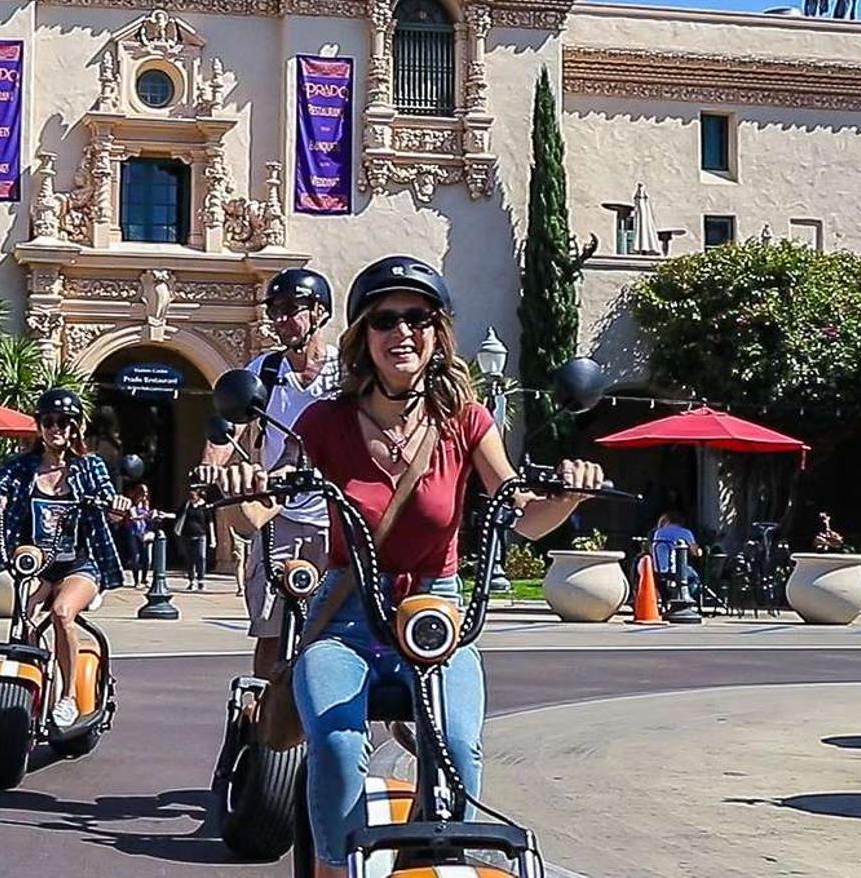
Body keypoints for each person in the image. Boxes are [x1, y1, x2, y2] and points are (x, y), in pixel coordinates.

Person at [199, 255, 605, 878]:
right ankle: (334, 866)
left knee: (461, 753)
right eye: (385, 319)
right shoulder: (324, 420)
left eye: (418, 317)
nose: (402, 332)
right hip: (347, 616)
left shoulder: (466, 420)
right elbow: (257, 519)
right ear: (362, 335)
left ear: (438, 332)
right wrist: (243, 490)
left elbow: (521, 513)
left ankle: (430, 855)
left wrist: (569, 494)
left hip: (437, 614)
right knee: (336, 746)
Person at [0, 389, 131, 728]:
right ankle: (30, 689)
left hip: (78, 565)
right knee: (22, 620)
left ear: (75, 427)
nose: (57, 428)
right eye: (49, 421)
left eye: (65, 422)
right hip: (36, 564)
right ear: (39, 426)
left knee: (62, 613)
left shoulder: (88, 466)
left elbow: (108, 501)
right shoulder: (23, 467)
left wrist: (119, 505)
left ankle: (68, 697)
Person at [203, 267, 343, 676]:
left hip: (335, 517)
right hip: (276, 512)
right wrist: (210, 469)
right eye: (275, 311)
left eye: (290, 309)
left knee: (338, 629)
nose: (280, 320)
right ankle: (262, 720)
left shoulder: (345, 372)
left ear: (319, 312)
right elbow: (228, 425)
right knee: (270, 628)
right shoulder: (263, 369)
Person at [650, 510, 701, 602]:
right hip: (676, 568)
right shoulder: (685, 533)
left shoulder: (658, 533)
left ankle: (670, 599)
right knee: (694, 578)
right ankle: (687, 599)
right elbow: (695, 553)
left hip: (659, 568)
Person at [119, 480, 154, 582]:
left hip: (145, 532)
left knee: (147, 558)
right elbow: (133, 517)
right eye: (143, 492)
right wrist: (144, 516)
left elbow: (147, 518)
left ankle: (144, 578)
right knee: (136, 556)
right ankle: (136, 580)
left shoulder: (145, 504)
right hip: (133, 531)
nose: (145, 495)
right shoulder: (131, 504)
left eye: (146, 493)